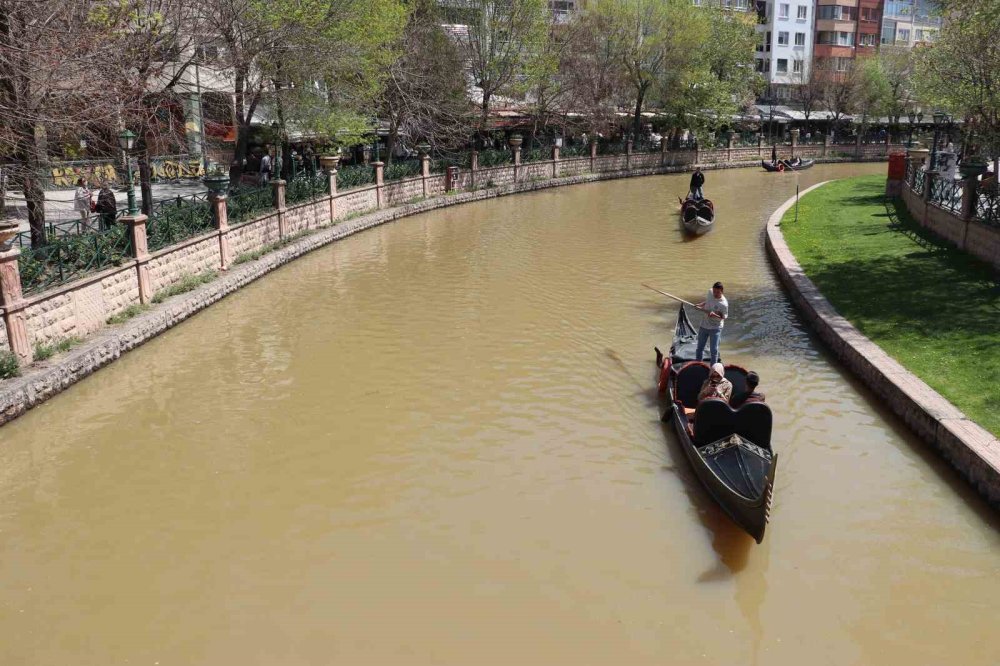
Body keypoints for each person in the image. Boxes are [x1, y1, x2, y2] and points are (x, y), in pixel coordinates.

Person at [694, 281, 728, 366]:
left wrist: (715, 315)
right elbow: (708, 301)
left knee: (714, 350)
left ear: (722, 291)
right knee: (699, 348)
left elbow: (724, 317)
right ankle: (698, 366)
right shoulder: (710, 292)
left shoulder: (724, 304)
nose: (715, 294)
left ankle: (713, 370)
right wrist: (700, 305)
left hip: (715, 327)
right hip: (704, 325)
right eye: (714, 291)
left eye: (717, 292)